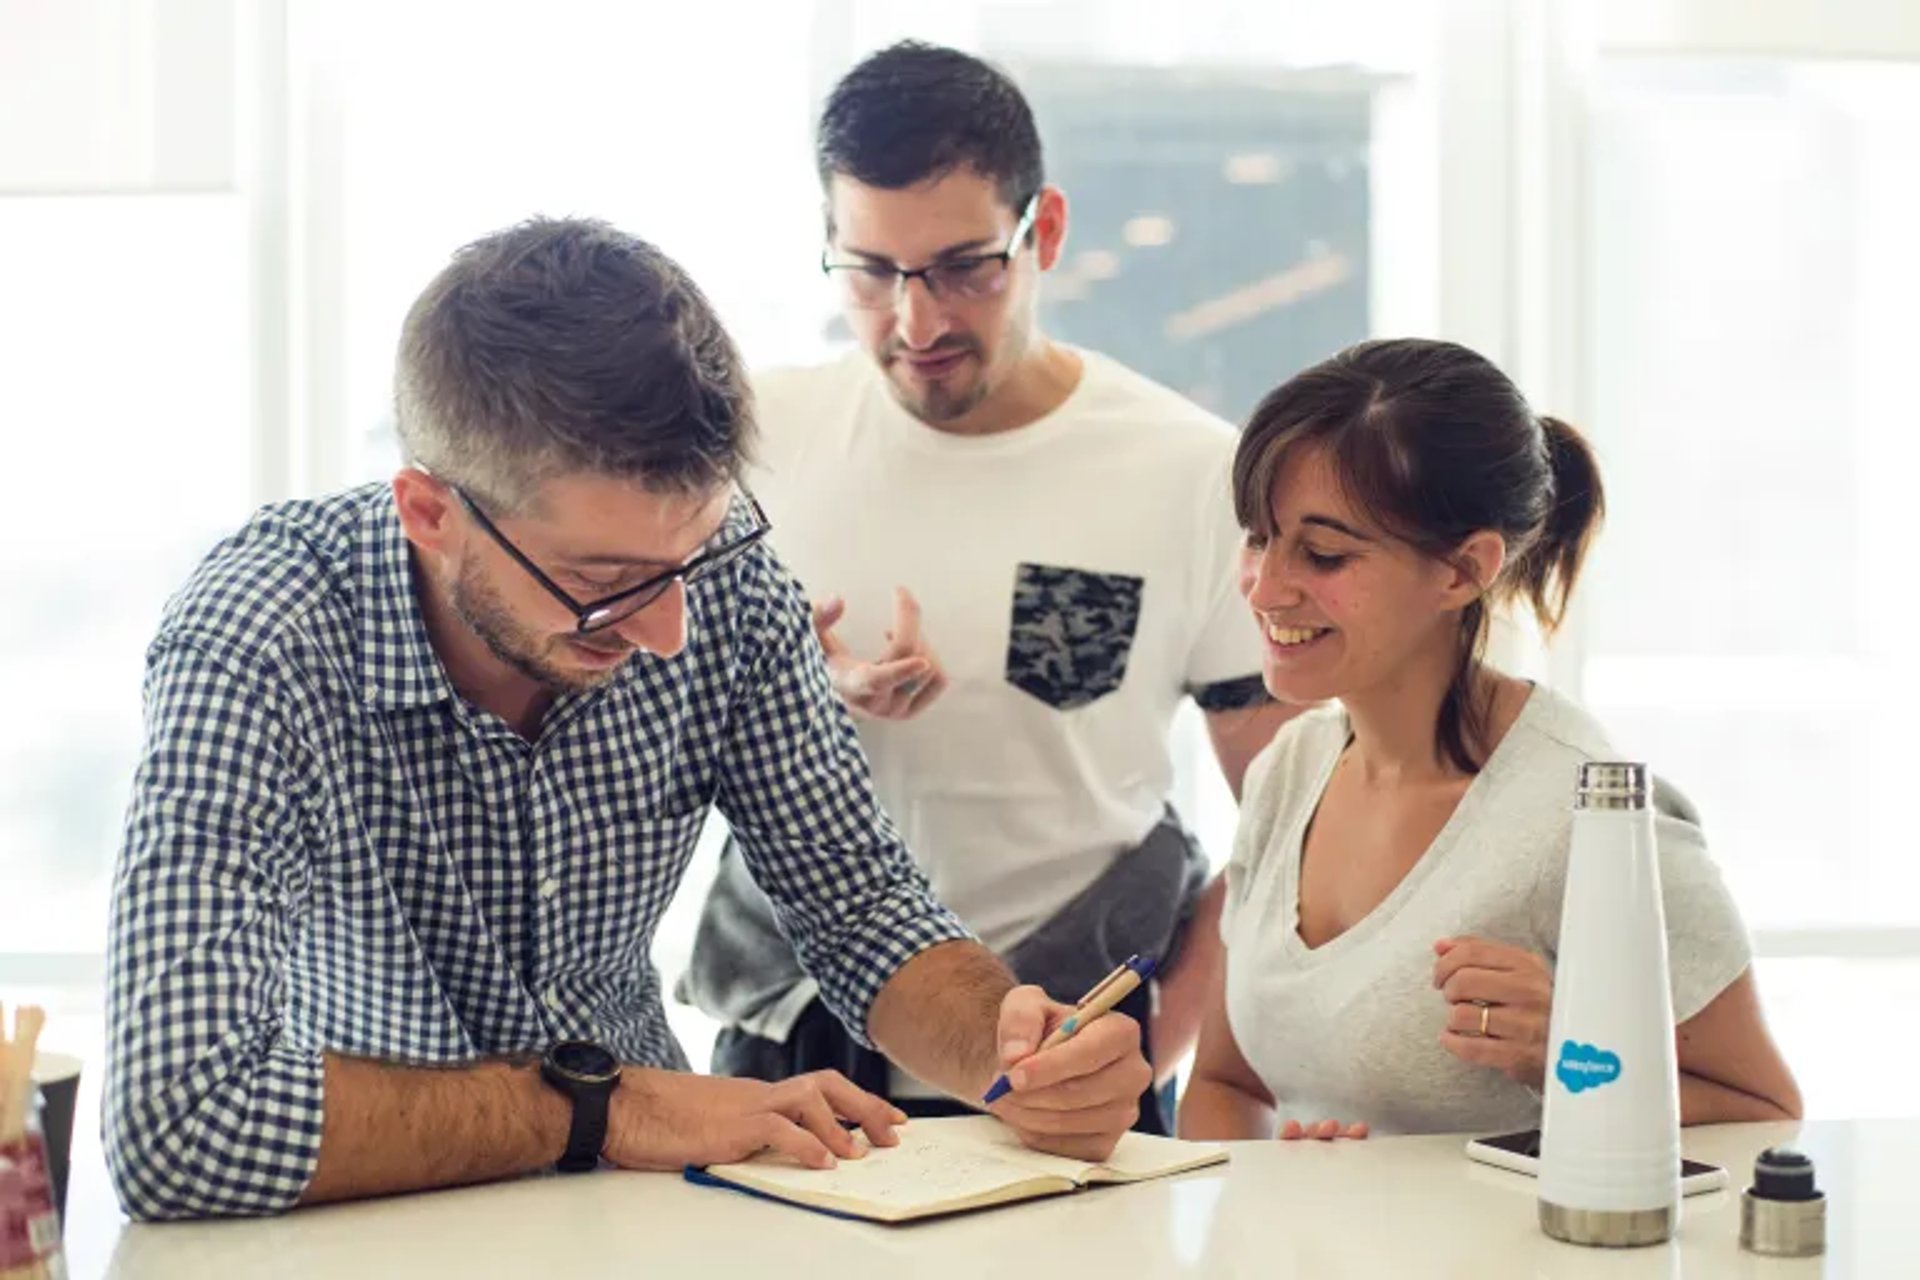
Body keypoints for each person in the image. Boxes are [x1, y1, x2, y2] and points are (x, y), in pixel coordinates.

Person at [101, 217, 1151, 1221]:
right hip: (355, 1205)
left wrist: (1012, 1050)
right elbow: (176, 1117)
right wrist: (604, 1105)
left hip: (647, 1213)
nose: (666, 630)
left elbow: (857, 904)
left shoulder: (722, 592)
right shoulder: (262, 634)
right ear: (429, 511)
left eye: (694, 554)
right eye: (601, 580)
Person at [682, 41, 1298, 1134]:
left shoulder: (1193, 470)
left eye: (966, 267)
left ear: (1043, 230)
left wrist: (1162, 1036)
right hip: (791, 1049)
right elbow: (628, 737)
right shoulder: (754, 444)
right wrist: (795, 692)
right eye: (871, 272)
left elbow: (1295, 818)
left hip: (1077, 1043)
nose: (917, 324)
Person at [1177, 338, 1801, 1142]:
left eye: (1324, 553)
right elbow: (1229, 1086)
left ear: (1464, 570)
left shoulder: (1588, 809)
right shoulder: (1287, 772)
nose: (1265, 587)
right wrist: (1279, 1191)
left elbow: (1765, 1114)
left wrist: (1569, 1057)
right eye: (1258, 537)